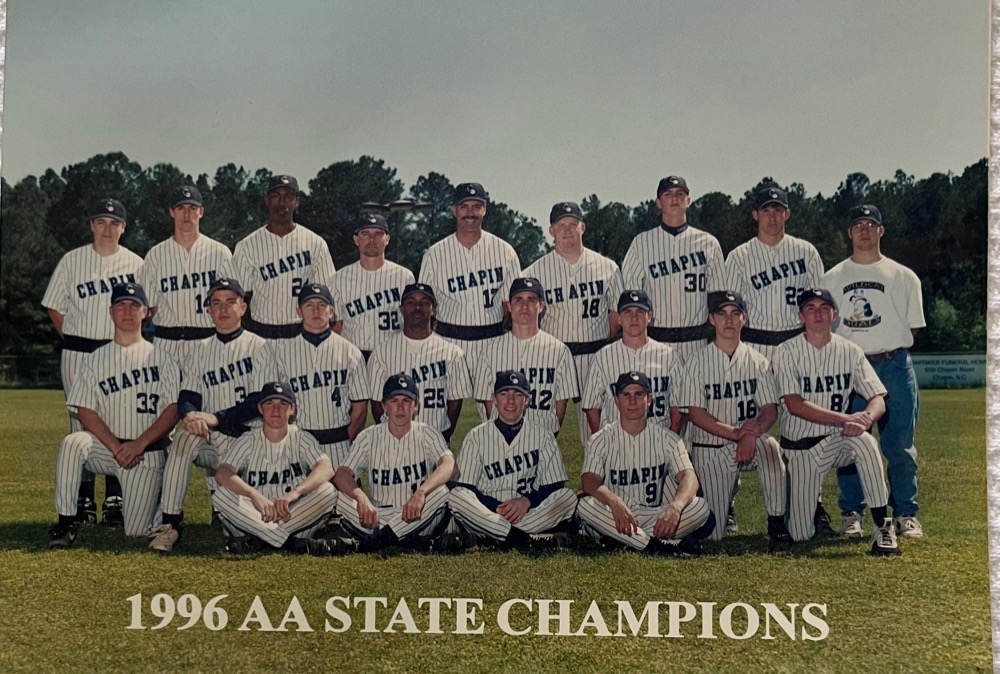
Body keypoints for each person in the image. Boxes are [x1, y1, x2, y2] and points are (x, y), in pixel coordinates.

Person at [148, 277, 277, 553]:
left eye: (231, 302)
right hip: (212, 438)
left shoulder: (260, 346)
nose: (223, 308)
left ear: (243, 307)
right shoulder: (199, 350)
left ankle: (225, 512)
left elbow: (258, 401)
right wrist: (191, 416)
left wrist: (213, 417)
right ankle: (169, 524)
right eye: (216, 303)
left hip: (251, 441)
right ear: (208, 310)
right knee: (183, 439)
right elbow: (188, 397)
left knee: (241, 524)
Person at [48, 282, 180, 549]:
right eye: (121, 305)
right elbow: (85, 410)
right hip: (108, 448)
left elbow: (173, 410)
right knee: (73, 443)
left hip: (146, 451)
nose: (127, 311)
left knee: (136, 531)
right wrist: (116, 447)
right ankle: (66, 521)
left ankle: (160, 505)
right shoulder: (95, 359)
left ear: (146, 313)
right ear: (111, 312)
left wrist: (138, 444)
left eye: (135, 306)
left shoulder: (163, 358)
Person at [770, 288, 900, 556]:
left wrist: (864, 420)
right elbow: (794, 404)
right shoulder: (786, 351)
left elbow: (878, 398)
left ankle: (882, 526)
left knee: (865, 442)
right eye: (810, 308)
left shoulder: (850, 350)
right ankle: (801, 510)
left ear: (835, 314)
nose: (817, 313)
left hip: (837, 441)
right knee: (800, 533)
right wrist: (846, 418)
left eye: (824, 307)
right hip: (801, 448)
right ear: (800, 316)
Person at [824, 205, 926, 540]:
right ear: (849, 233)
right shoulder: (833, 278)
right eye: (858, 225)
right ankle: (851, 512)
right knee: (852, 442)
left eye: (871, 225)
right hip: (852, 367)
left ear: (881, 231)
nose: (865, 231)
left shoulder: (903, 276)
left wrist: (885, 347)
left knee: (899, 446)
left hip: (894, 363)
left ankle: (906, 513)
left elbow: (913, 329)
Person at [41, 198, 143, 527]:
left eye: (115, 223)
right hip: (80, 351)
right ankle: (84, 497)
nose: (108, 228)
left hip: (119, 351)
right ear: (91, 225)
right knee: (80, 423)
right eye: (101, 222)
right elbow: (54, 307)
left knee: (120, 418)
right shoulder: (72, 261)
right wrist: (73, 337)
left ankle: (115, 495)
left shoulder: (136, 264)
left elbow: (148, 308)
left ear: (124, 228)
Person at [679, 291, 790, 551]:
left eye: (735, 313)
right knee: (714, 535)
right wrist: (737, 433)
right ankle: (715, 507)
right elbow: (696, 414)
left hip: (750, 442)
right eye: (722, 313)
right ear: (711, 319)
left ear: (744, 319)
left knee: (771, 448)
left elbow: (769, 409)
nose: (729, 320)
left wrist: (752, 433)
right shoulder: (696, 361)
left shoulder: (758, 361)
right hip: (712, 447)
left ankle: (776, 525)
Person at [577, 371, 713, 555]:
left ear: (649, 399)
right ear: (616, 401)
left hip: (653, 515)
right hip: (614, 514)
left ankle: (627, 541)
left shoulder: (667, 438)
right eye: (626, 395)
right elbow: (589, 480)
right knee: (585, 505)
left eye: (638, 394)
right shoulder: (600, 439)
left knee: (700, 507)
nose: (632, 401)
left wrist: (675, 507)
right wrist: (614, 502)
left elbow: (689, 477)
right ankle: (658, 546)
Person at [418, 182, 521, 419]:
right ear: (454, 210)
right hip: (447, 340)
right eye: (464, 207)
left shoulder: (504, 251)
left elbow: (511, 306)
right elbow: (424, 307)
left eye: (477, 206)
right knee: (435, 415)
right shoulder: (435, 253)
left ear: (485, 209)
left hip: (492, 340)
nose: (471, 213)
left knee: (498, 416)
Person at [524, 201, 623, 445]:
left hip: (594, 354)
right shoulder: (533, 272)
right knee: (541, 426)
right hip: (552, 357)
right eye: (561, 225)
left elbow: (616, 313)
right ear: (551, 231)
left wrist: (598, 337)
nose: (567, 230)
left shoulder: (607, 267)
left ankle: (595, 483)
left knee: (597, 429)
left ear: (583, 227)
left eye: (573, 224)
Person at [212, 381, 351, 556]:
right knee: (221, 495)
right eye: (269, 403)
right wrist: (253, 495)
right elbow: (223, 472)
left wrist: (295, 493)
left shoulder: (301, 437)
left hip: (293, 516)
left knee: (329, 491)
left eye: (282, 403)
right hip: (254, 517)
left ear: (292, 409)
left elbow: (326, 468)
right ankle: (294, 545)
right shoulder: (248, 439)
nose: (276, 409)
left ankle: (260, 541)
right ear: (260, 409)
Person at [447, 370, 578, 550]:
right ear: (494, 398)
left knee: (568, 497)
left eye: (518, 394)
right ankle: (524, 538)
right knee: (456, 496)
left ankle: (494, 538)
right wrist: (497, 508)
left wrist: (527, 501)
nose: (510, 401)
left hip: (526, 513)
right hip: (487, 513)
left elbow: (554, 486)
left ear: (527, 399)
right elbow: (466, 487)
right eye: (503, 394)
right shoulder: (476, 436)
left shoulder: (543, 436)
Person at [333, 374, 455, 551]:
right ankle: (404, 540)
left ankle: (379, 540)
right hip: (378, 516)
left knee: (442, 492)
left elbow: (448, 463)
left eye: (406, 400)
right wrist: (360, 498)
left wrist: (421, 493)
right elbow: (342, 473)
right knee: (335, 495)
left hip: (417, 516)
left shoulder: (427, 433)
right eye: (394, 400)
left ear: (416, 405)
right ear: (384, 406)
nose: (400, 407)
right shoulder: (369, 436)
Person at [621, 176, 724, 362]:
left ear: (689, 201)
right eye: (668, 194)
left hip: (697, 341)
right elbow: (631, 296)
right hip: (656, 341)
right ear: (658, 203)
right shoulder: (641, 243)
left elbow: (719, 298)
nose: (675, 199)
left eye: (680, 194)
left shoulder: (708, 243)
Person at [270, 282, 368, 471]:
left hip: (339, 441)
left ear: (331, 311)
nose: (316, 310)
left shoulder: (350, 352)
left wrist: (345, 438)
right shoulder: (283, 353)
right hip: (299, 442)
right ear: (299, 312)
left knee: (347, 500)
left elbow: (360, 409)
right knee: (299, 499)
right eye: (309, 305)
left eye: (322, 305)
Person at [723, 186, 824, 362]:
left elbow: (819, 307)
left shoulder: (807, 253)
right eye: (766, 210)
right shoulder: (738, 257)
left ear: (787, 213)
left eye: (778, 210)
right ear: (755, 215)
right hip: (754, 345)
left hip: (797, 345)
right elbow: (728, 311)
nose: (772, 217)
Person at [228, 174, 336, 339]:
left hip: (301, 332)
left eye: (289, 197)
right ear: (267, 200)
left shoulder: (315, 243)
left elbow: (327, 294)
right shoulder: (247, 246)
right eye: (275, 196)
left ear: (297, 201)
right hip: (260, 332)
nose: (282, 202)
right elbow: (239, 297)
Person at [367, 283, 472, 443]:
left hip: (436, 439)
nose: (417, 307)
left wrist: (443, 435)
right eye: (411, 302)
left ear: (433, 309)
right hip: (395, 441)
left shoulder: (452, 352)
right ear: (401, 309)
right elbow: (376, 404)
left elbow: (455, 403)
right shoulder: (382, 352)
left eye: (424, 302)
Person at [472, 278, 578, 436]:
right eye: (518, 299)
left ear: (541, 306)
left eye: (532, 299)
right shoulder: (489, 351)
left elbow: (560, 409)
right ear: (509, 306)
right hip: (500, 439)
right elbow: (489, 407)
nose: (524, 306)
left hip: (543, 439)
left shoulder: (559, 351)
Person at [139, 185, 232, 364]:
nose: (187, 214)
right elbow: (151, 306)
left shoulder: (220, 253)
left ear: (201, 212)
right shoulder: (156, 255)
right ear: (172, 212)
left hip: (208, 342)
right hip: (166, 344)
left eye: (192, 208)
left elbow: (230, 304)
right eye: (181, 208)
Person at [582, 290, 684, 433]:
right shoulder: (602, 358)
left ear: (649, 316)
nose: (634, 317)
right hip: (617, 443)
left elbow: (678, 410)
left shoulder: (670, 357)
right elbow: (592, 408)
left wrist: (668, 443)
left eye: (640, 311)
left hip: (659, 441)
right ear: (618, 318)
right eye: (627, 312)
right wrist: (604, 441)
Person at [329, 213, 414, 360]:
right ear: (356, 239)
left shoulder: (405, 277)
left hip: (393, 356)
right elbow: (336, 326)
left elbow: (411, 322)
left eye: (378, 234)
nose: (371, 239)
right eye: (365, 234)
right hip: (353, 357)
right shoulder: (338, 278)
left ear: (387, 239)